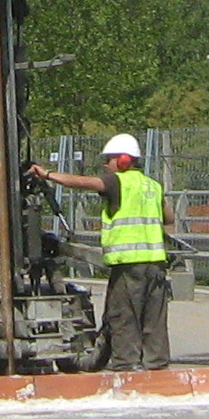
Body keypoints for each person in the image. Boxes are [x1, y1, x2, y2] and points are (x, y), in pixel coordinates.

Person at [27, 134, 171, 372]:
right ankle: (157, 368)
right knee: (154, 320)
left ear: (123, 160)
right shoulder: (153, 186)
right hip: (156, 266)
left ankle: (126, 367)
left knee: (123, 318)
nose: (105, 165)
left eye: (109, 160)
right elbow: (169, 217)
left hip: (129, 266)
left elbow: (84, 183)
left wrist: (48, 174)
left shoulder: (117, 182)